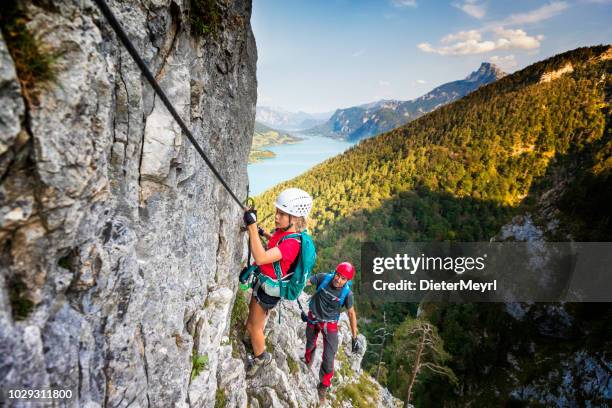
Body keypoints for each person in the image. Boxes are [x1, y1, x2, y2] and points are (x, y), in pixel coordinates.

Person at [242, 188, 313, 376]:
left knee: (253, 326)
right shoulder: (285, 233)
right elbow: (275, 241)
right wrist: (262, 232)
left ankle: (261, 357)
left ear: (296, 218)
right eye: (277, 211)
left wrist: (251, 226)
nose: (276, 216)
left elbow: (261, 256)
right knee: (254, 318)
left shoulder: (292, 244)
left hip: (269, 289)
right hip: (268, 284)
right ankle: (255, 340)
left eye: (282, 213)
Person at [302, 262, 361, 403]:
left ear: (347, 281)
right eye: (338, 275)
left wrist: (354, 337)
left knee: (329, 358)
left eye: (343, 278)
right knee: (310, 343)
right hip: (314, 317)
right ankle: (308, 361)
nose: (338, 280)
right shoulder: (324, 278)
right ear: (334, 273)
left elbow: (352, 314)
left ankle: (323, 386)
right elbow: (307, 281)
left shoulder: (347, 294)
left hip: (330, 324)